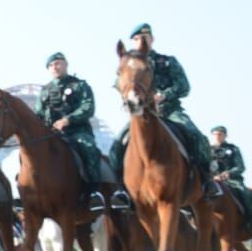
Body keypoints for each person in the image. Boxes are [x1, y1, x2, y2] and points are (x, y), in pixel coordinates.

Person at [110, 24, 220, 200]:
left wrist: (165, 95)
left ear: (151, 40)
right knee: (116, 145)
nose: (141, 41)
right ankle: (121, 190)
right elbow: (119, 83)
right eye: (137, 38)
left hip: (169, 112)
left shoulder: (167, 62)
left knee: (196, 136)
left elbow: (184, 86)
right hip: (141, 114)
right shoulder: (129, 63)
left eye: (145, 37)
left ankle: (207, 181)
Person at [35, 53, 112, 213]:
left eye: (58, 64)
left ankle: (94, 193)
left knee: (89, 149)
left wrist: (67, 120)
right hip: (52, 135)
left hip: (77, 132)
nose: (55, 67)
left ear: (66, 65)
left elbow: (88, 107)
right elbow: (38, 115)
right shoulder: (44, 91)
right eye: (51, 65)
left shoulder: (80, 85)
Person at [212, 126, 251, 219]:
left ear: (225, 136)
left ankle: (249, 220)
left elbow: (240, 167)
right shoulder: (208, 150)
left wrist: (227, 174)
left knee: (245, 194)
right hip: (212, 179)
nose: (217, 136)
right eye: (215, 134)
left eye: (220, 134)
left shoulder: (233, 149)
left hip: (232, 180)